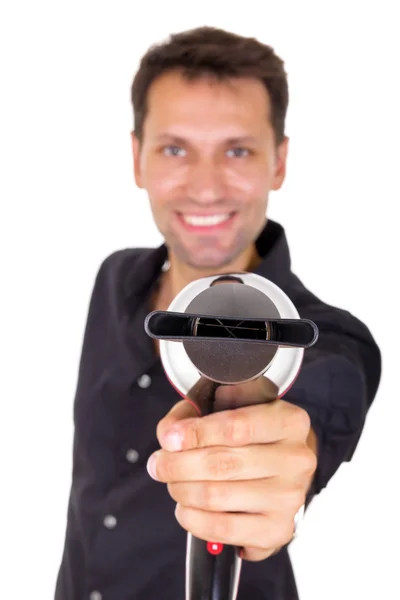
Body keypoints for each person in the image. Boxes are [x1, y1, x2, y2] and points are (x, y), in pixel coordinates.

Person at [54, 26, 381, 600]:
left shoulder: (326, 340)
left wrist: (283, 474)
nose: (205, 188)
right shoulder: (114, 279)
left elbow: (313, 418)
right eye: (175, 149)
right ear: (137, 158)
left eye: (237, 150)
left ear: (278, 162)